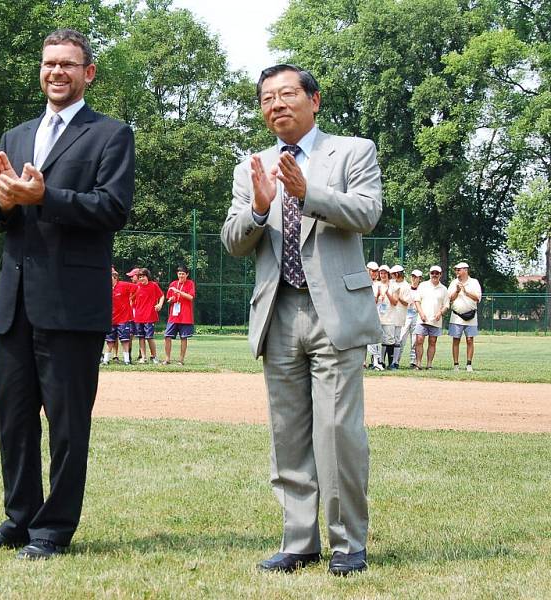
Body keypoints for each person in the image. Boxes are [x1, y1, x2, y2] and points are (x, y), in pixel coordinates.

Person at [0, 28, 134, 560]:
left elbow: (112, 208)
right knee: (13, 417)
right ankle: (19, 518)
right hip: (14, 304)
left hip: (70, 305)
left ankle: (53, 529)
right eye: (48, 63)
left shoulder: (109, 135)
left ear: (88, 73)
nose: (56, 72)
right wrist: (9, 201)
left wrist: (46, 195)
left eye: (67, 63)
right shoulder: (15, 136)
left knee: (66, 424)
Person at [222, 63, 382, 576]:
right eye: (267, 98)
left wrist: (307, 191)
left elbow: (367, 212)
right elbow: (232, 239)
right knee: (287, 434)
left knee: (337, 432)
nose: (277, 104)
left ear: (314, 100)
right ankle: (298, 541)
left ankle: (347, 543)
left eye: (288, 94)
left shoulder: (353, 151)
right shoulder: (253, 166)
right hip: (279, 311)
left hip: (334, 309)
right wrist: (262, 209)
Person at [448, 261, 481, 372]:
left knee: (470, 340)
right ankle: (456, 365)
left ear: (465, 270)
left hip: (471, 316)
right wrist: (457, 291)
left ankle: (469, 364)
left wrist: (466, 292)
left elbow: (478, 298)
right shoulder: (453, 283)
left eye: (459, 269)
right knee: (456, 340)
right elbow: (450, 299)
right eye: (456, 270)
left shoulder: (474, 282)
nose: (457, 272)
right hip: (456, 316)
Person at [413, 265, 449, 370]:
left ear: (440, 275)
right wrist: (421, 314)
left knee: (432, 342)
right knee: (419, 340)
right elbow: (417, 301)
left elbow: (446, 305)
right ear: (429, 274)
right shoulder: (423, 285)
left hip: (435, 320)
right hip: (422, 318)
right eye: (432, 273)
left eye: (437, 273)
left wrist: (440, 313)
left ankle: (429, 364)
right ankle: (418, 363)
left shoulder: (443, 289)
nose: (434, 275)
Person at [163, 265, 196, 365]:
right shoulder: (173, 284)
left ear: (187, 274)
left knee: (183, 337)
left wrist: (179, 292)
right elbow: (169, 297)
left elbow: (190, 297)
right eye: (179, 273)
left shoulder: (190, 283)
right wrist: (171, 299)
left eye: (183, 274)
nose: (181, 275)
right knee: (167, 336)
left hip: (185, 316)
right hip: (174, 316)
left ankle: (181, 360)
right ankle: (167, 359)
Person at [103, 268, 136, 365]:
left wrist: (131, 298)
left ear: (115, 278)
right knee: (109, 340)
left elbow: (136, 288)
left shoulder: (124, 285)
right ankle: (106, 360)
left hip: (123, 318)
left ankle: (126, 360)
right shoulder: (106, 288)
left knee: (125, 340)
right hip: (112, 319)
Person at [132, 268, 164, 364]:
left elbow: (162, 295)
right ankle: (143, 357)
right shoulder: (137, 287)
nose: (142, 279)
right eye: (140, 277)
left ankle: (154, 356)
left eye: (143, 276)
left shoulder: (153, 285)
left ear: (147, 276)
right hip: (138, 316)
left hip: (149, 316)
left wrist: (160, 305)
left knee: (149, 337)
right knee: (141, 337)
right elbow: (131, 298)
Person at [376, 265, 401, 369]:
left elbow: (395, 302)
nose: (383, 275)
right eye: (381, 273)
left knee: (389, 340)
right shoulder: (376, 285)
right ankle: (380, 361)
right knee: (379, 340)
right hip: (378, 316)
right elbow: (373, 301)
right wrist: (378, 295)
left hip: (390, 317)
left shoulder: (394, 286)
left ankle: (391, 363)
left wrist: (387, 293)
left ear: (389, 274)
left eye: (385, 273)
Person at [388, 265, 411, 369]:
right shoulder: (391, 283)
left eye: (392, 274)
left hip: (399, 315)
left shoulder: (406, 286)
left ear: (397, 274)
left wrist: (398, 296)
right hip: (389, 315)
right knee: (388, 338)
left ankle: (395, 362)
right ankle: (385, 361)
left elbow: (407, 303)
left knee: (397, 339)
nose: (391, 276)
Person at [365, 261, 382, 369]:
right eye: (373, 271)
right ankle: (364, 362)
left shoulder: (378, 285)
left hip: (375, 316)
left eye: (376, 271)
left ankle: (376, 362)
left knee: (374, 340)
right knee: (363, 341)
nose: (375, 273)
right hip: (364, 315)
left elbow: (375, 301)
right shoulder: (364, 284)